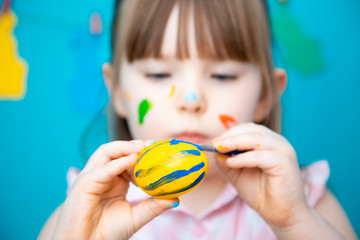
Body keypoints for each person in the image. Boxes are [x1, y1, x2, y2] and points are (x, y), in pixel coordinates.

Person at [38, 0, 358, 239]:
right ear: (118, 91)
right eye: (159, 73)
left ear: (266, 95)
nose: (191, 99)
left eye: (222, 75)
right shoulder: (87, 213)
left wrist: (295, 222)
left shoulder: (305, 202)